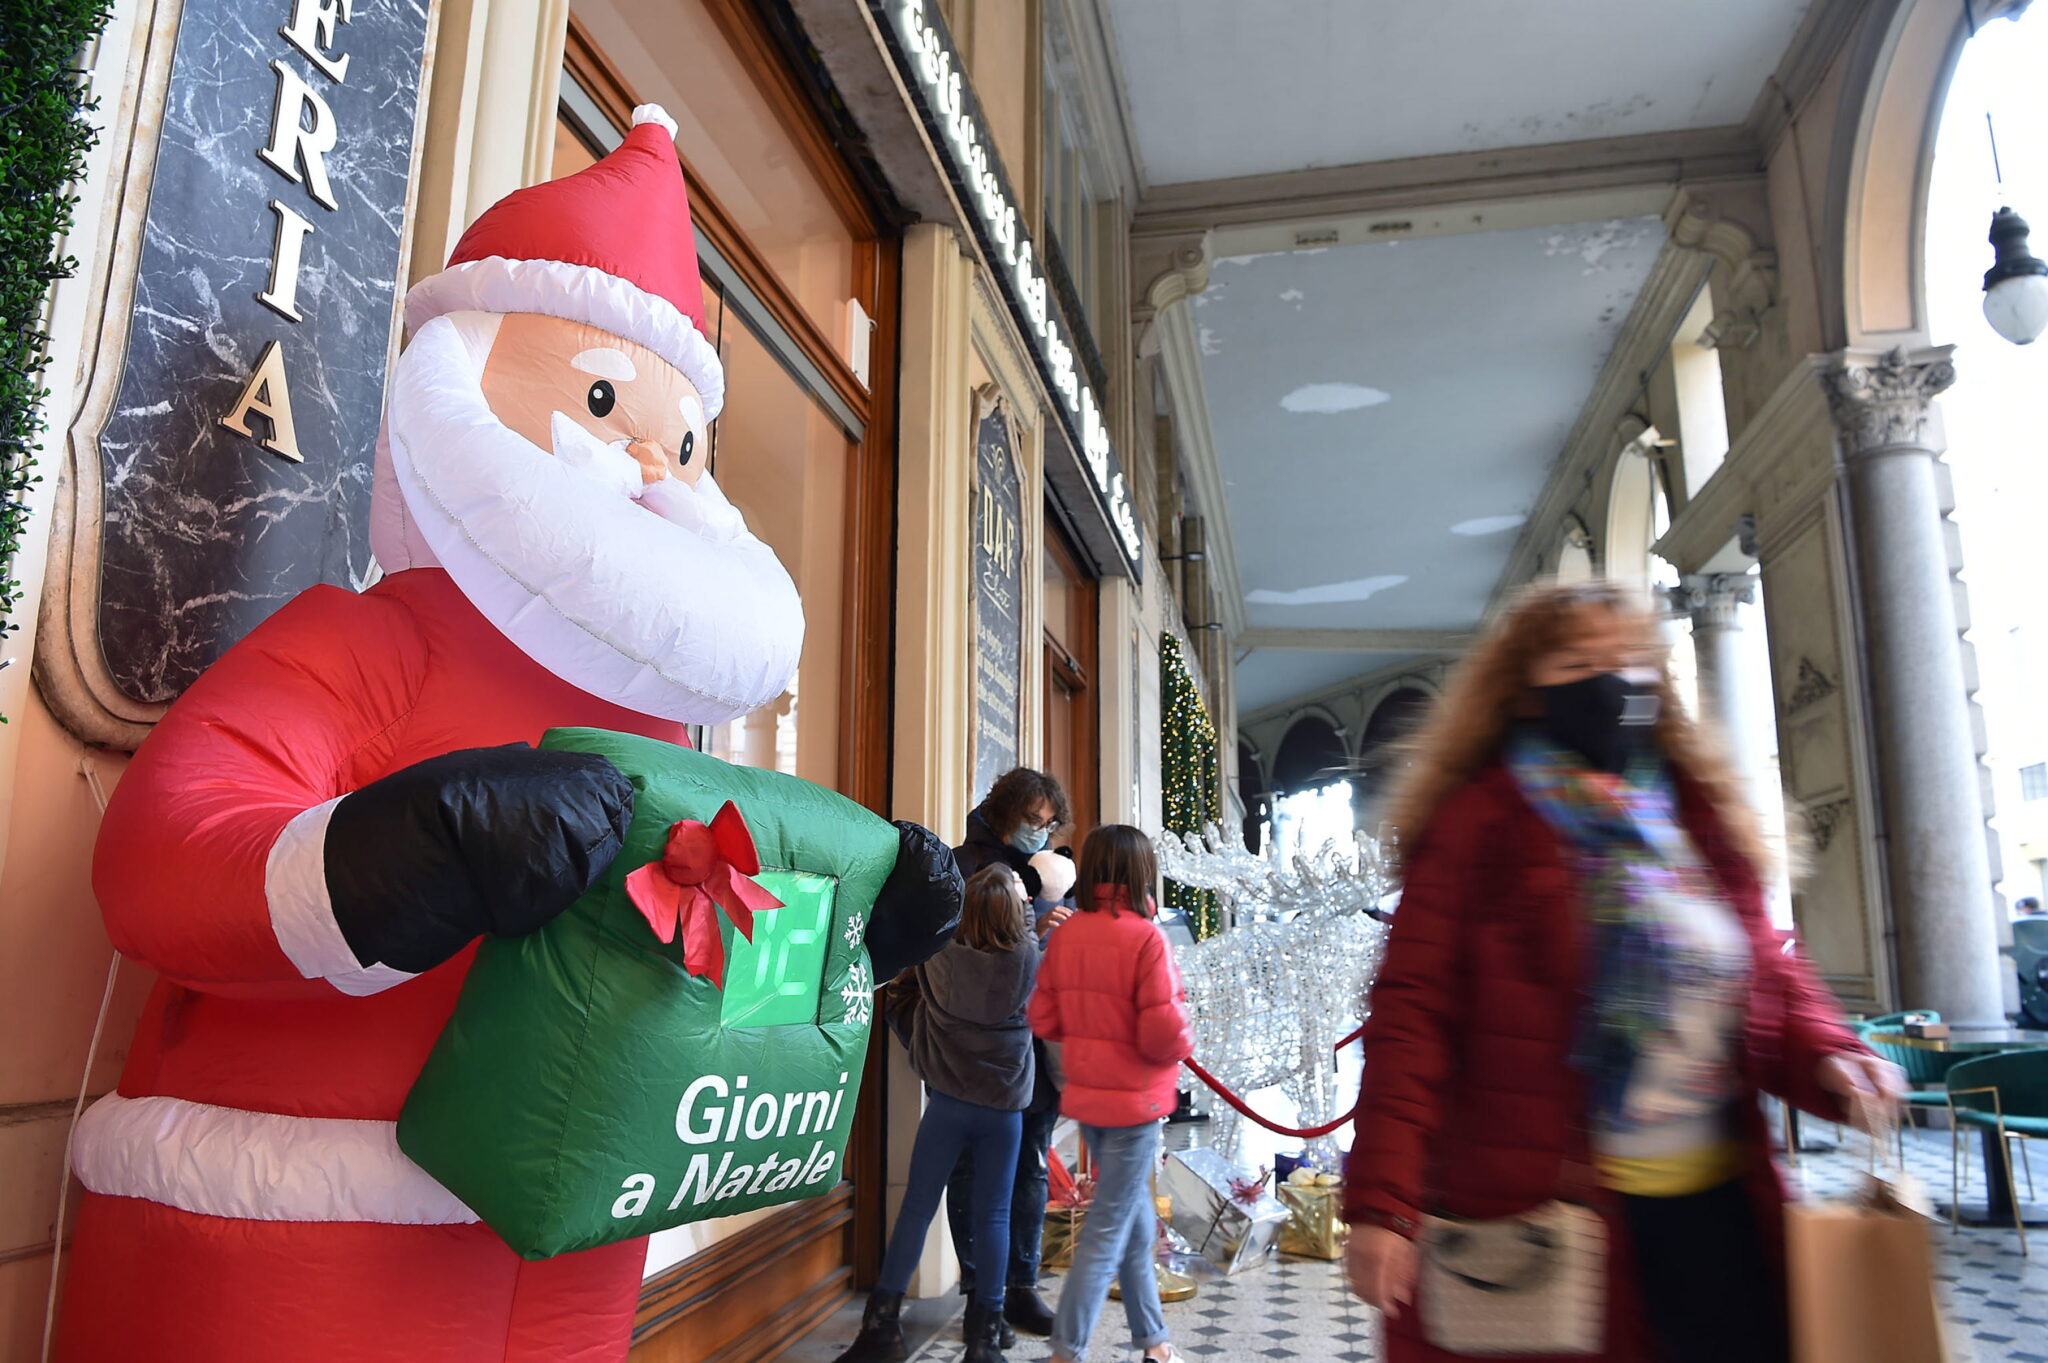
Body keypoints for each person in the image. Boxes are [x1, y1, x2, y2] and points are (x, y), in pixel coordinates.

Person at [1343, 580, 1904, 1363]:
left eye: (1628, 659)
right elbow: (1412, 1017)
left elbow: (1762, 970)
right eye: (1578, 660)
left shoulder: (1695, 816)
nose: (1610, 680)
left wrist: (1830, 1052)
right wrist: (1383, 1202)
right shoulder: (1479, 824)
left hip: (1714, 1209)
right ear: (1527, 687)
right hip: (1544, 1206)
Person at [837, 864, 1043, 1363]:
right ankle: (985, 1338)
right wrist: (1025, 904)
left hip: (947, 1102)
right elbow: (1030, 933)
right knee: (994, 1214)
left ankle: (882, 1324)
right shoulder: (1027, 959)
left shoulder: (939, 956)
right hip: (1003, 1111)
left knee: (917, 1208)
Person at [1029, 825, 1192, 1363]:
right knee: (1106, 1232)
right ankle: (1066, 1350)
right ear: (1140, 873)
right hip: (1136, 1104)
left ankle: (1155, 1342)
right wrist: (1187, 1028)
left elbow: (1044, 1016)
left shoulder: (1068, 934)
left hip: (1089, 1100)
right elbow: (1164, 1035)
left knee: (1134, 1220)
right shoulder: (1147, 938)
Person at [949, 767, 1078, 1335]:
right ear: (1003, 811)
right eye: (1032, 821)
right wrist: (1032, 932)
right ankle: (982, 1294)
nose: (1040, 834)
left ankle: (1022, 1286)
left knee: (1031, 1164)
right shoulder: (961, 865)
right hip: (974, 1048)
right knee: (973, 1169)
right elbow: (955, 957)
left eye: (1049, 825)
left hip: (1035, 1037)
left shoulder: (1049, 870)